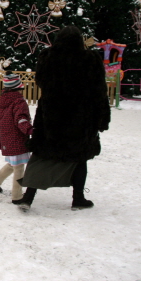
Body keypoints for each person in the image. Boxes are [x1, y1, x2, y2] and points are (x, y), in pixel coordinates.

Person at [19, 26, 111, 211]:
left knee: (42, 156)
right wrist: (103, 119)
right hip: (82, 118)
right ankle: (78, 198)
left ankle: (28, 197)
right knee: (79, 158)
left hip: (51, 117)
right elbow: (100, 91)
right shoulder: (90, 59)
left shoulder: (48, 58)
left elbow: (41, 82)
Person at [0, 72, 33, 204]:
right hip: (17, 138)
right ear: (18, 87)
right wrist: (29, 129)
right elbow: (21, 119)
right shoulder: (19, 102)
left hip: (7, 138)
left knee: (15, 162)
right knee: (19, 166)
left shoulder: (2, 103)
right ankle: (17, 196)